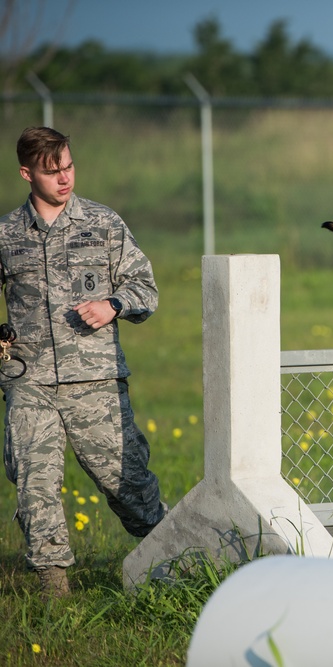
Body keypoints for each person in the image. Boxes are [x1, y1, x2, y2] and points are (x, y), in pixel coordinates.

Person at [1, 127, 166, 598]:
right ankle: (55, 590)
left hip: (95, 381)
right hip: (28, 380)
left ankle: (173, 558)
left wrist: (113, 304)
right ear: (26, 173)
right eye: (52, 171)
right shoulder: (6, 233)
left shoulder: (104, 224)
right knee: (36, 485)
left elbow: (145, 288)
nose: (64, 177)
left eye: (69, 166)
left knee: (128, 484)